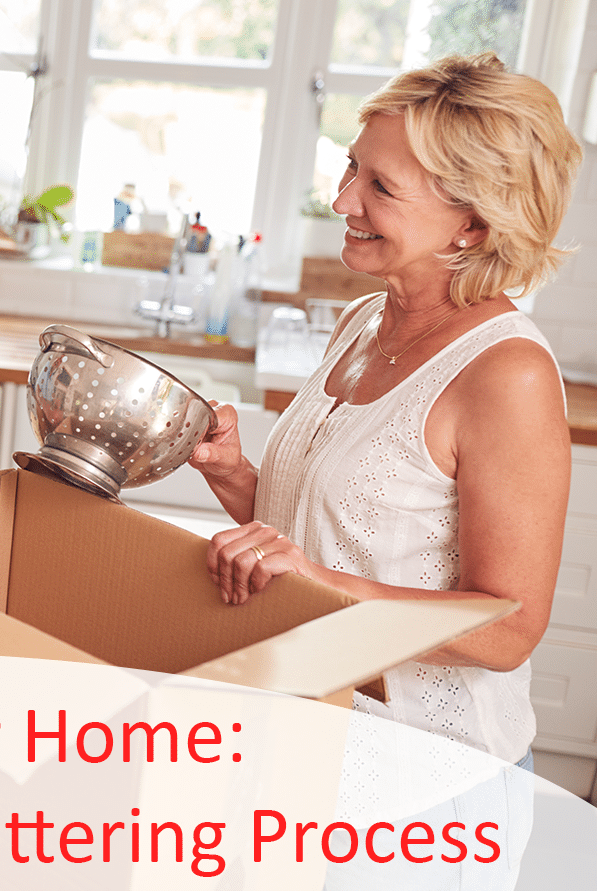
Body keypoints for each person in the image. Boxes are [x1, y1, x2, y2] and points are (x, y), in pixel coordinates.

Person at [188, 53, 578, 767]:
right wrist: (234, 475)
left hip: (428, 775)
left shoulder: (505, 374)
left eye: (381, 187)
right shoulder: (364, 321)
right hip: (311, 731)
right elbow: (327, 541)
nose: (342, 201)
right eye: (349, 168)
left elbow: (509, 629)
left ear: (473, 226)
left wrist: (324, 585)